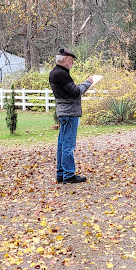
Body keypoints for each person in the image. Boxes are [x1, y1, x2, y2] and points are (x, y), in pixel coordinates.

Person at [49, 48, 93, 184]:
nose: (72, 63)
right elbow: (75, 92)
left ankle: (61, 173)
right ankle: (68, 174)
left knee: (62, 144)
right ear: (65, 59)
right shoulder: (61, 74)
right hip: (69, 113)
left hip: (63, 112)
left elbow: (69, 90)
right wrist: (88, 83)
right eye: (71, 60)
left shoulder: (54, 73)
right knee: (68, 144)